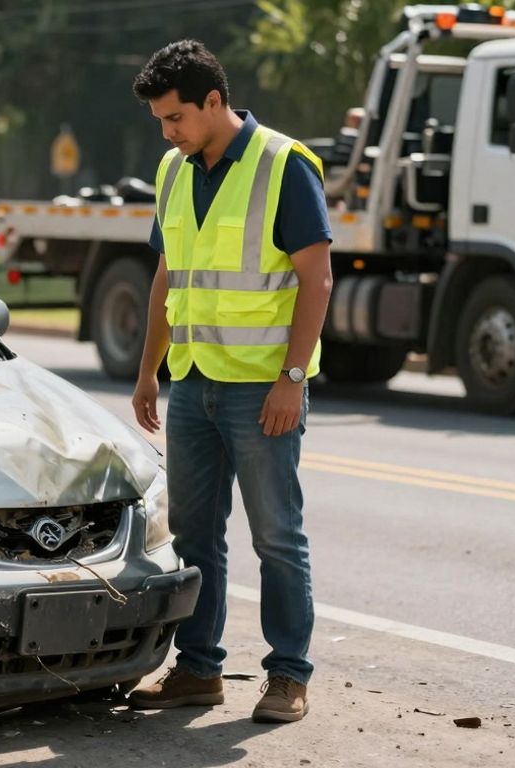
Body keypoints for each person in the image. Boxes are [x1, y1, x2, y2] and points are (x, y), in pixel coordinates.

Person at [127, 40, 333, 723]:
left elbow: (316, 278)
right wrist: (149, 370)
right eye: (161, 121)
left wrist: (292, 379)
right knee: (193, 533)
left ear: (214, 102)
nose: (169, 132)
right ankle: (198, 670)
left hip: (261, 388)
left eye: (176, 118)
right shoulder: (173, 169)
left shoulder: (283, 165)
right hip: (191, 381)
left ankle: (289, 675)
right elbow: (167, 274)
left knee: (276, 535)